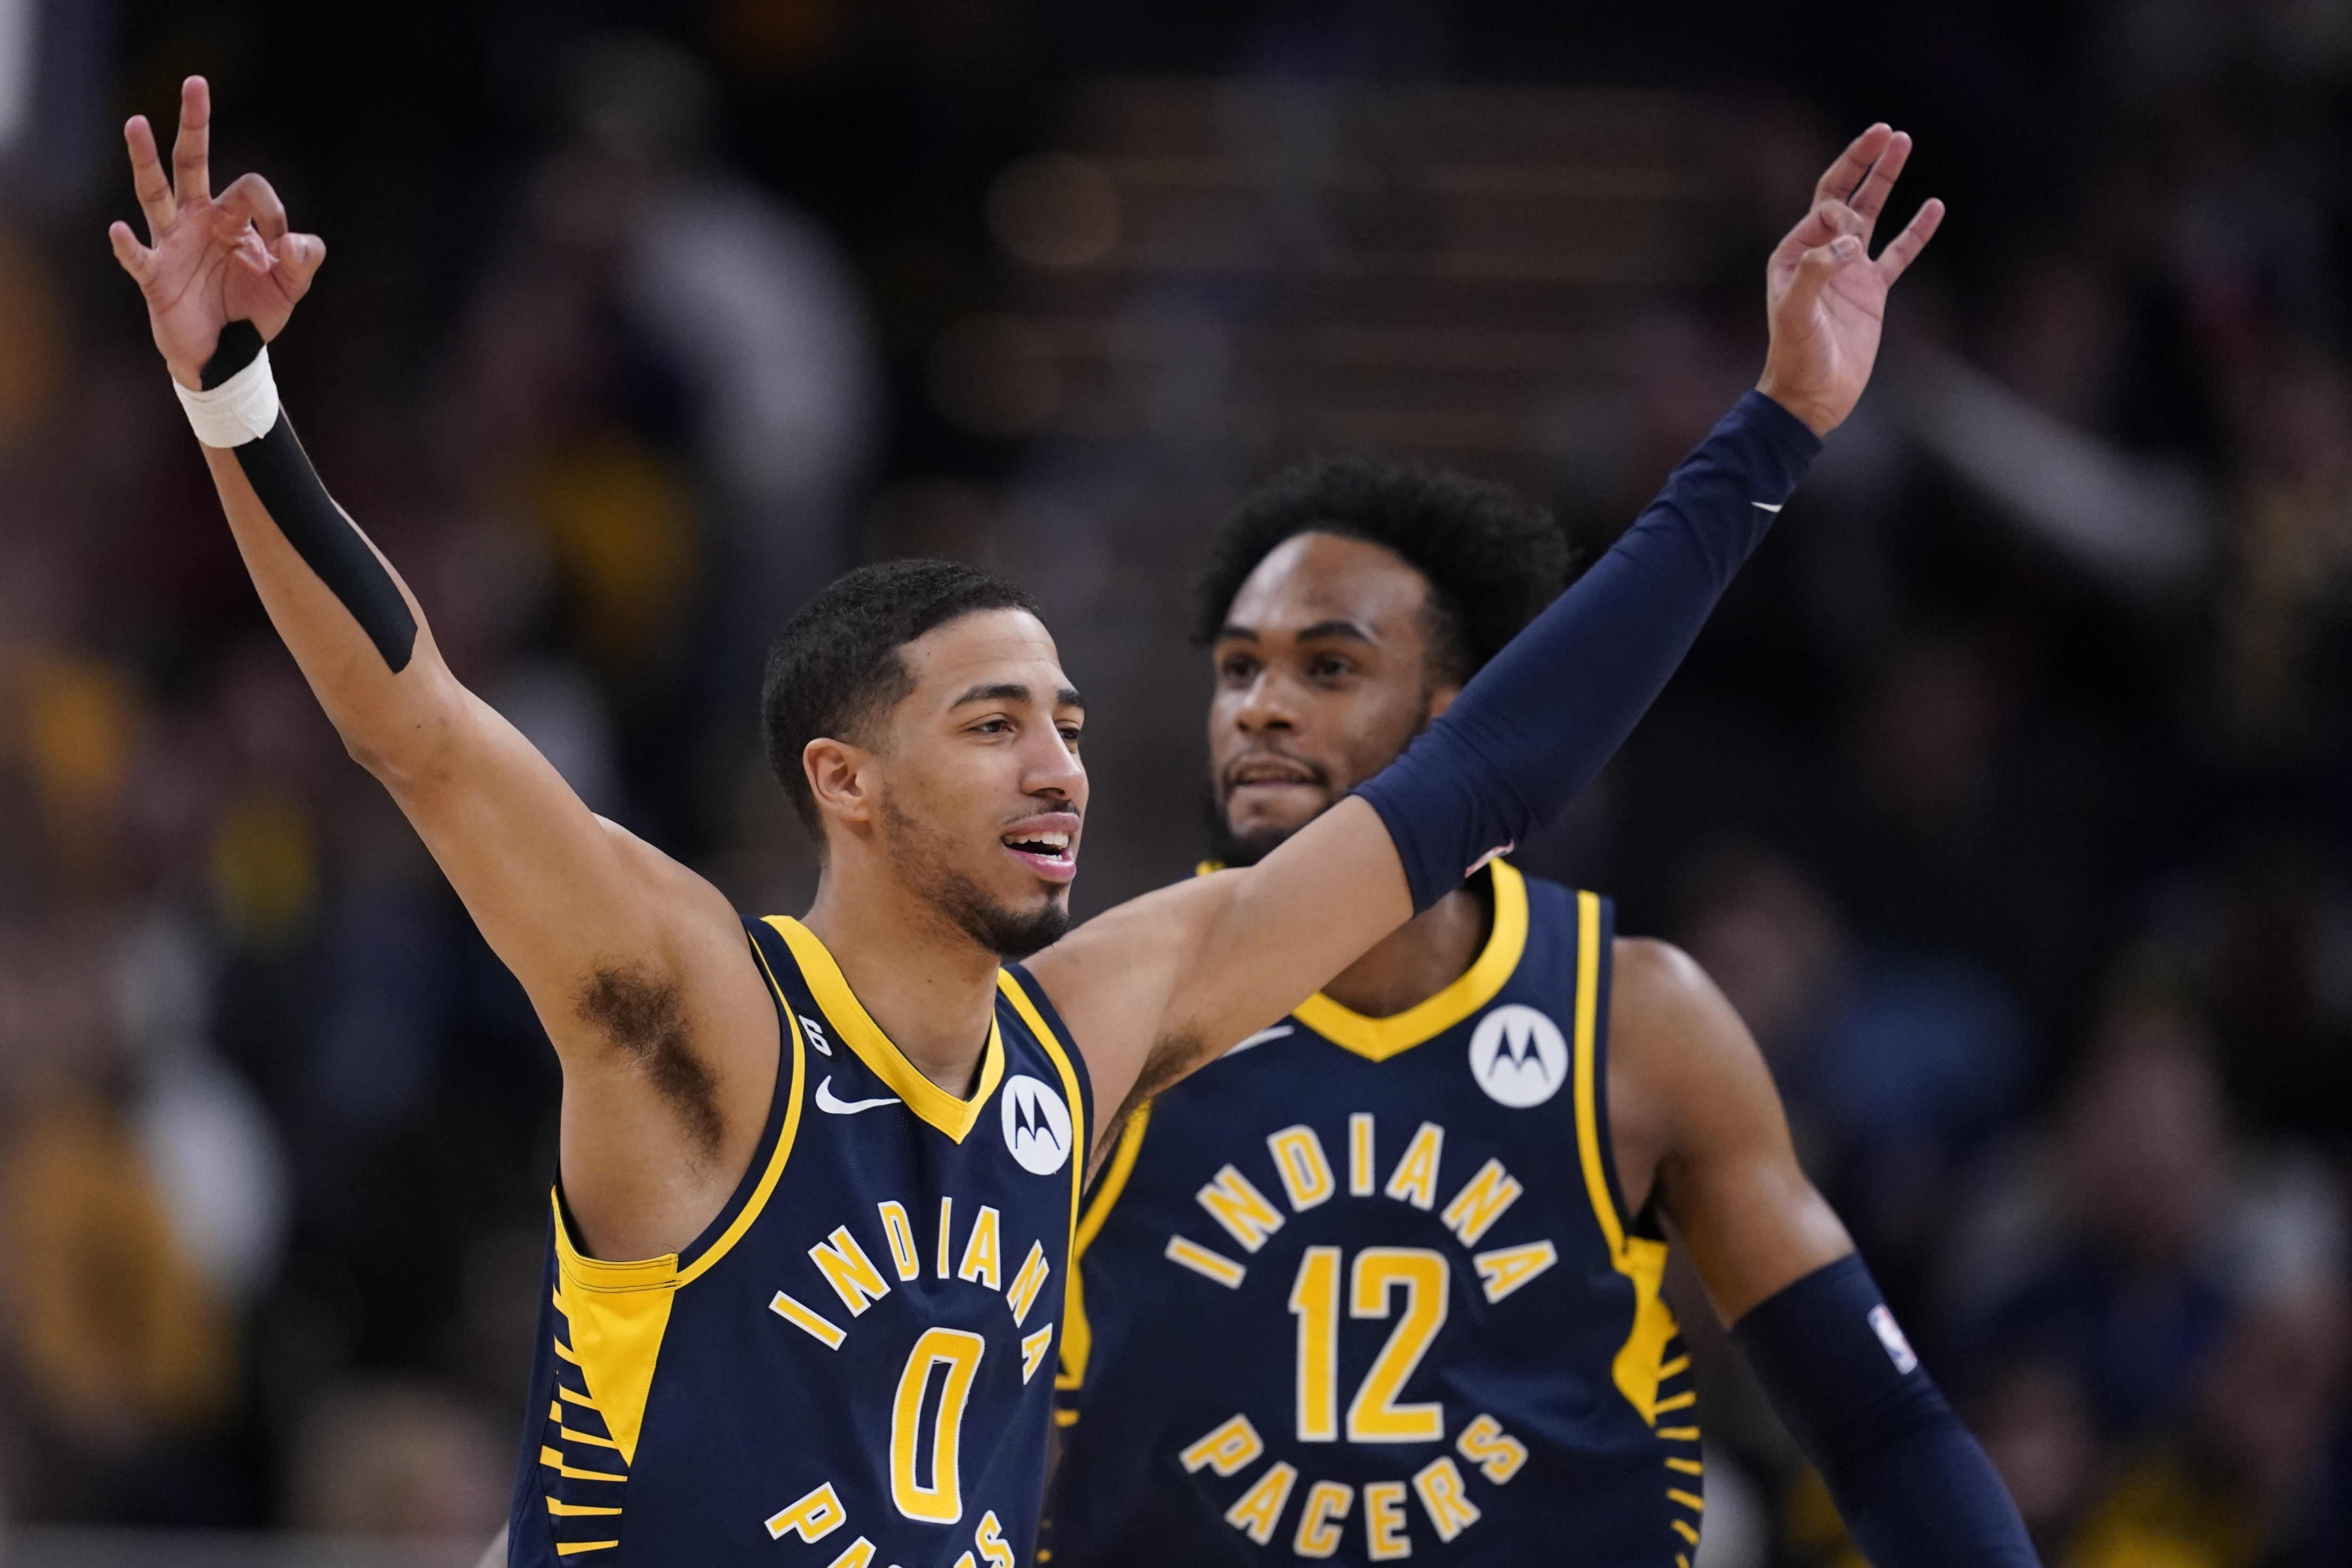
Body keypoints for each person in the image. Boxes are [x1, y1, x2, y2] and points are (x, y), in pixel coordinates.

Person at [108, 75, 1934, 1568]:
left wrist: (1768, 432)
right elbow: (418, 728)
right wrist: (235, 393)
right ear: (845, 779)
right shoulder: (698, 1006)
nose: (1064, 763)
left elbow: (1479, 778)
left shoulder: (1080, 1038)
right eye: (994, 724)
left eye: (1066, 720)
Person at [1044, 491, 2035, 1559]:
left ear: (1460, 719)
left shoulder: (1635, 1022)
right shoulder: (1107, 1007)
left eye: (1327, 667)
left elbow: (1881, 1425)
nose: (1261, 707)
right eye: (1238, 668)